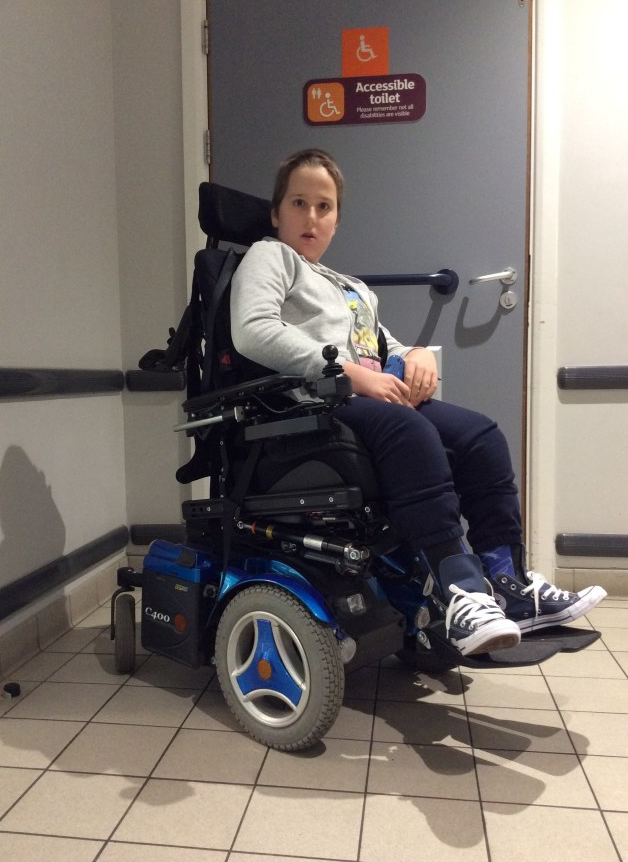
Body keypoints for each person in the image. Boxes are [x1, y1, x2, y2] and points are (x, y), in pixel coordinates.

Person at [230, 147, 606, 658]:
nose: (312, 217)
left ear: (337, 218)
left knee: (480, 435)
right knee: (412, 432)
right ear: (277, 213)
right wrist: (351, 373)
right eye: (299, 203)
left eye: (325, 206)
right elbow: (252, 332)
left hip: (368, 394)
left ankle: (510, 583)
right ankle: (462, 590)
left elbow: (380, 342)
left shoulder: (349, 286)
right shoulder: (269, 257)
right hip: (309, 403)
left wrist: (415, 357)